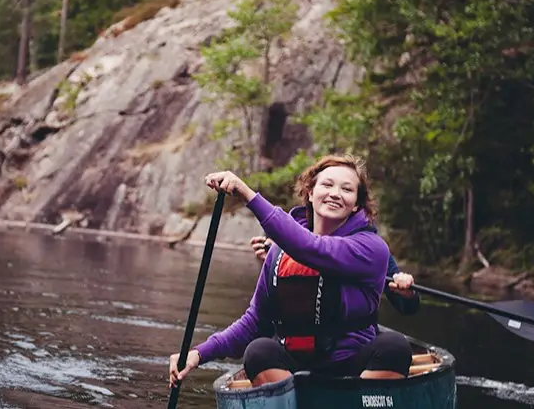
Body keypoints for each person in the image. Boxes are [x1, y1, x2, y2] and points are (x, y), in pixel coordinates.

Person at [168, 154, 414, 389]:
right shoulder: (278, 253)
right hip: (296, 372)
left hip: (354, 368)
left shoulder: (371, 248)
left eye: (347, 189)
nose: (335, 194)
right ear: (310, 193)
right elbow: (254, 323)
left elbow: (311, 248)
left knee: (394, 347)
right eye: (327, 185)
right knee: (259, 350)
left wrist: (248, 194)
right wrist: (198, 354)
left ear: (356, 205)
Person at [251, 236, 421, 316]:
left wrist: (408, 294)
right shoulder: (303, 239)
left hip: (352, 346)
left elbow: (406, 307)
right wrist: (278, 258)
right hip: (302, 339)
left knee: (394, 346)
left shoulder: (371, 250)